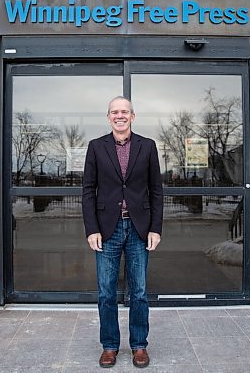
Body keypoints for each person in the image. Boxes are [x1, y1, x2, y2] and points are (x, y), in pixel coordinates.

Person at [82, 96, 164, 368]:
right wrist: (92, 229)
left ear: (132, 116)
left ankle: (139, 345)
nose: (120, 116)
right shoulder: (96, 147)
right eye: (115, 112)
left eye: (124, 112)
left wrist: (155, 228)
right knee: (106, 292)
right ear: (109, 117)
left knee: (139, 291)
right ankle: (109, 345)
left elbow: (156, 191)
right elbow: (87, 191)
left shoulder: (148, 146)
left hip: (140, 228)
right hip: (108, 229)